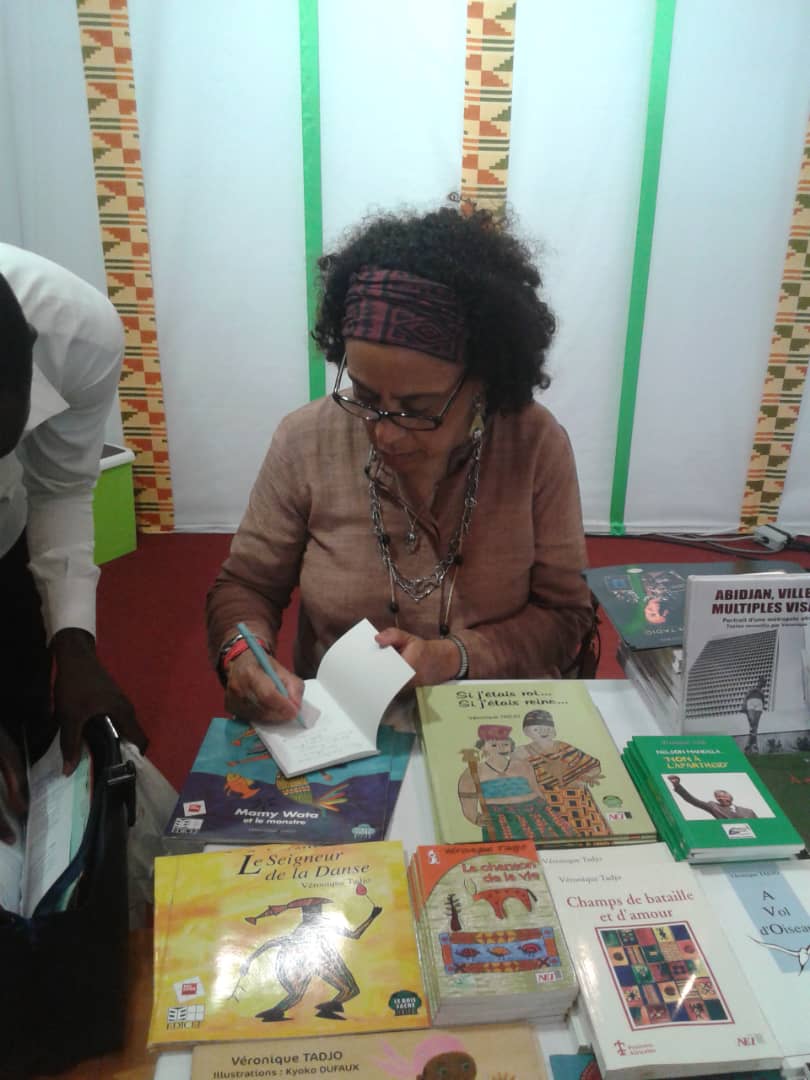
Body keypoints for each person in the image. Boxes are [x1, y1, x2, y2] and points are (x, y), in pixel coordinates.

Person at [206, 204, 594, 725]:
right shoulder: (305, 440)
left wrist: (452, 657)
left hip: (496, 720)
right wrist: (241, 654)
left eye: (418, 408)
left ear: (483, 382)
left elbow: (565, 616)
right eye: (365, 395)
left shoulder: (534, 444)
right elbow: (246, 586)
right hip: (344, 726)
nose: (384, 431)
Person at [0, 243, 144, 842]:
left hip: (6, 540)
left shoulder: (76, 334)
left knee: (30, 737)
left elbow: (58, 488)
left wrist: (75, 646)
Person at [456, 723, 572, 843]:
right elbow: (468, 801)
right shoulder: (473, 771)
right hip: (500, 819)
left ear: (511, 746)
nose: (500, 748)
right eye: (494, 745)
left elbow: (536, 790)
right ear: (483, 746)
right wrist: (476, 818)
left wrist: (549, 810)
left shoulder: (523, 765)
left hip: (538, 813)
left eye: (505, 744)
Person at [515, 708, 610, 838]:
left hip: (576, 799)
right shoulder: (520, 752)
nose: (543, 732)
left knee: (586, 833)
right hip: (544, 801)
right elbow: (516, 778)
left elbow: (593, 765)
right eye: (536, 729)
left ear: (553, 729)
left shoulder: (564, 747)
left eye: (547, 728)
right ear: (526, 732)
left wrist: (582, 779)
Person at [666, 776, 757, 820]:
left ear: (730, 797)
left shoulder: (748, 811)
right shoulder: (714, 807)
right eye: (718, 797)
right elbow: (692, 800)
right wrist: (677, 785)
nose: (721, 799)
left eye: (723, 796)